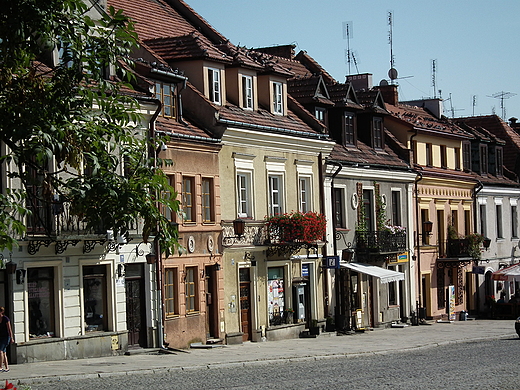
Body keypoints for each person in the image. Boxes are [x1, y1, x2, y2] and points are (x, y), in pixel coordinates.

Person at [0, 307, 13, 372]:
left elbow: (9, 329)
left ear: (1, 312)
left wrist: (11, 338)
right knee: (4, 352)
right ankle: (7, 367)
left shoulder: (6, 319)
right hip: (0, 337)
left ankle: (0, 367)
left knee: (0, 351)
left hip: (6, 337)